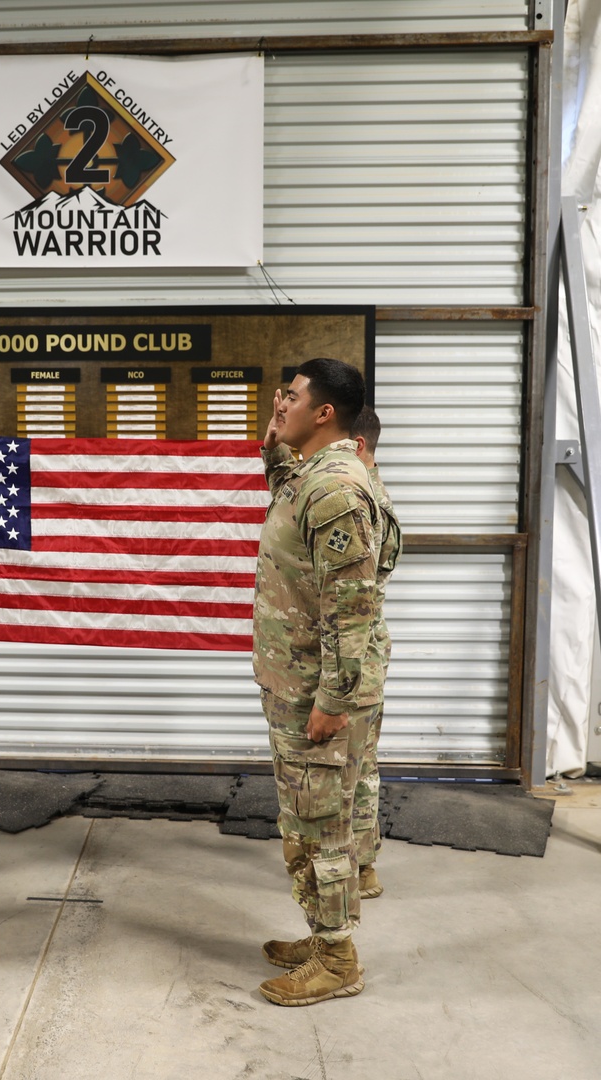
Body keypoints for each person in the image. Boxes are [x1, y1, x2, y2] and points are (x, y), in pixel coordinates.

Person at [252, 357, 382, 1007]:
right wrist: (275, 447)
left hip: (313, 692)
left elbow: (351, 606)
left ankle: (337, 959)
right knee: (305, 819)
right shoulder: (311, 476)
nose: (280, 402)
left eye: (292, 396)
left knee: (321, 822)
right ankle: (322, 932)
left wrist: (334, 700)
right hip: (293, 680)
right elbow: (287, 503)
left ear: (323, 412)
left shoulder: (334, 490)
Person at [349, 405, 402, 900]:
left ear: (358, 446)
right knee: (359, 763)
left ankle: (360, 866)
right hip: (361, 653)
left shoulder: (364, 503)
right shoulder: (364, 491)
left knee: (355, 765)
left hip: (356, 656)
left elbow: (355, 600)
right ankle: (361, 864)